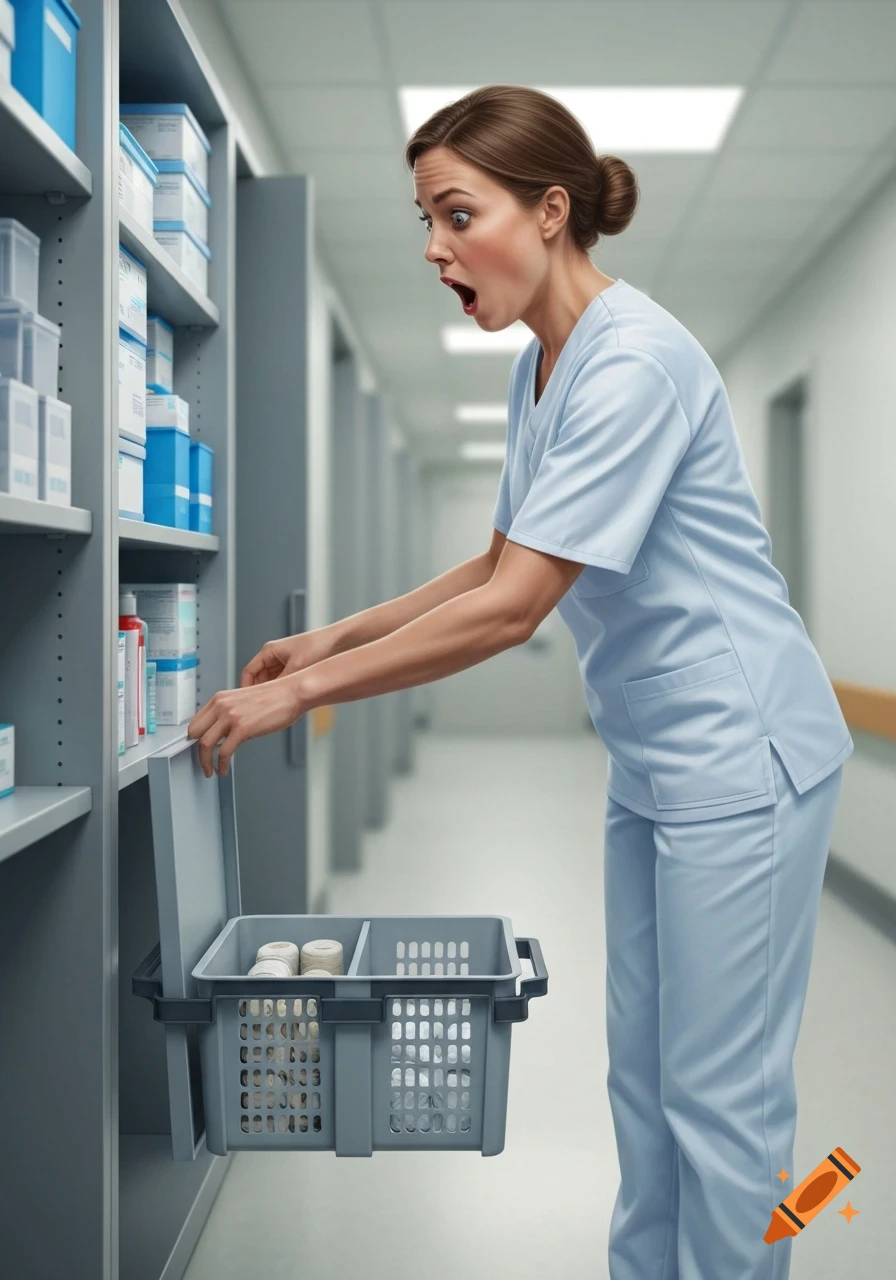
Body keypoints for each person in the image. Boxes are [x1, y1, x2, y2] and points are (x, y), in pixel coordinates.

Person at [188, 85, 853, 1279]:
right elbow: (497, 556)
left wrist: (300, 695)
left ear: (550, 212)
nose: (433, 245)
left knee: (719, 1093)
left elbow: (510, 610)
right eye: (422, 218)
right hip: (655, 759)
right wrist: (326, 641)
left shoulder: (634, 363)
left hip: (741, 757)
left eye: (456, 212)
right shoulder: (542, 367)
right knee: (641, 1073)